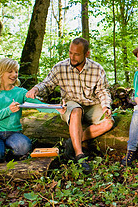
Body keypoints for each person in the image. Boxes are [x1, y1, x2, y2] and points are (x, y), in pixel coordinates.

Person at [26, 37, 114, 173]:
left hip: (91, 104)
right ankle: (79, 155)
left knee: (109, 122)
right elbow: (47, 84)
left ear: (87, 54)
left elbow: (103, 91)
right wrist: (36, 89)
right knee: (76, 110)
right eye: (70, 53)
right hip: (71, 105)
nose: (72, 57)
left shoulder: (97, 69)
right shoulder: (60, 68)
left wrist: (106, 106)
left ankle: (71, 142)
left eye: (77, 54)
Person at [0, 58, 65, 164]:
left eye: (16, 71)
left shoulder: (20, 92)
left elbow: (38, 105)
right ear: (0, 72)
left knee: (24, 146)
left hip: (13, 133)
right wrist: (8, 110)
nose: (15, 74)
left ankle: (10, 157)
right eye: (10, 71)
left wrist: (56, 109)